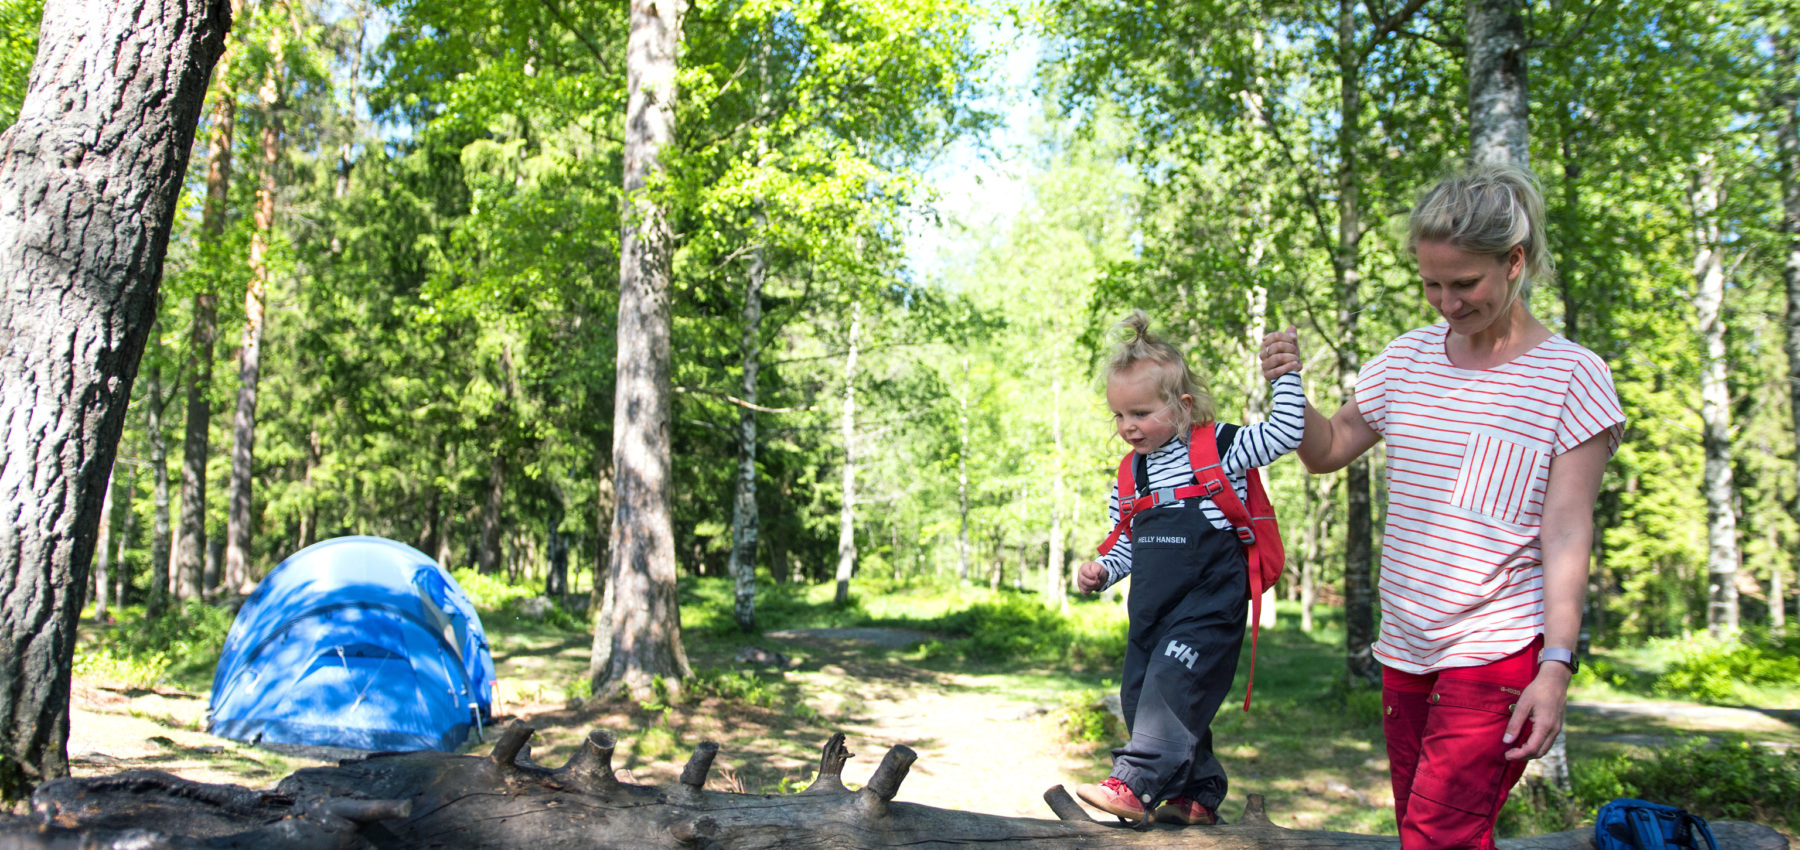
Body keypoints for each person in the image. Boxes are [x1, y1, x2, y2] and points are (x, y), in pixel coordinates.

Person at [1258, 163, 1624, 849]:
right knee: (1421, 834)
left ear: (1514, 262)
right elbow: (1328, 447)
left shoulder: (1574, 377)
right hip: (1406, 649)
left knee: (1437, 838)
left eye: (1465, 284)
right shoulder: (1406, 359)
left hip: (1497, 653)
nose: (1446, 302)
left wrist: (1557, 664)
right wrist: (1289, 388)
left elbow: (1569, 532)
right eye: (1431, 283)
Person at [1073, 310, 1305, 825]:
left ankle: (1132, 784)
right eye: (1118, 416)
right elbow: (1127, 543)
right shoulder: (1131, 473)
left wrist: (1285, 376)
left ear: (1180, 406)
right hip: (1153, 608)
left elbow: (1288, 432)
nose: (1127, 427)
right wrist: (1104, 571)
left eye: (1139, 413)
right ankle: (1195, 795)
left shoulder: (1222, 447)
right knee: (1142, 696)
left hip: (1211, 602)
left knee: (1172, 687)